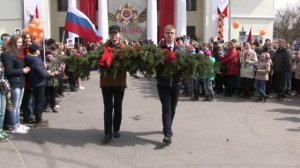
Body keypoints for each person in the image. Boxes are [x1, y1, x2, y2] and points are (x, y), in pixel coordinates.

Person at [99, 25, 127, 144]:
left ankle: (116, 129)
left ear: (119, 34)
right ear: (109, 34)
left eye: (116, 33)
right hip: (106, 82)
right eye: (111, 33)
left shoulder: (125, 48)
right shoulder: (103, 48)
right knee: (108, 108)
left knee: (118, 107)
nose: (114, 35)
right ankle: (107, 133)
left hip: (120, 82)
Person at [156, 24, 182, 145]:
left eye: (172, 33)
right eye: (167, 33)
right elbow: (154, 65)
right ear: (164, 35)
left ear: (174, 35)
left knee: (173, 108)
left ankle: (168, 127)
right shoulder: (159, 50)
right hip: (163, 84)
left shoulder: (179, 50)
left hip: (176, 84)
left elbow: (185, 66)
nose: (170, 35)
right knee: (166, 108)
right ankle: (167, 133)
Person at [1, 34, 31, 134]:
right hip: (13, 82)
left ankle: (17, 123)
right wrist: (22, 70)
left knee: (18, 105)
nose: (20, 44)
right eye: (18, 42)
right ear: (13, 42)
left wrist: (25, 69)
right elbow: (8, 71)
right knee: (14, 106)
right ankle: (13, 125)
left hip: (20, 81)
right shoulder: (7, 54)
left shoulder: (18, 52)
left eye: (21, 42)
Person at [25, 43, 51, 127]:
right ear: (36, 51)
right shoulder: (36, 60)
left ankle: (38, 118)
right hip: (39, 82)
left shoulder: (29, 58)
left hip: (34, 82)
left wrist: (44, 67)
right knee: (40, 101)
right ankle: (38, 120)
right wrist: (49, 73)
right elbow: (42, 73)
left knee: (38, 101)